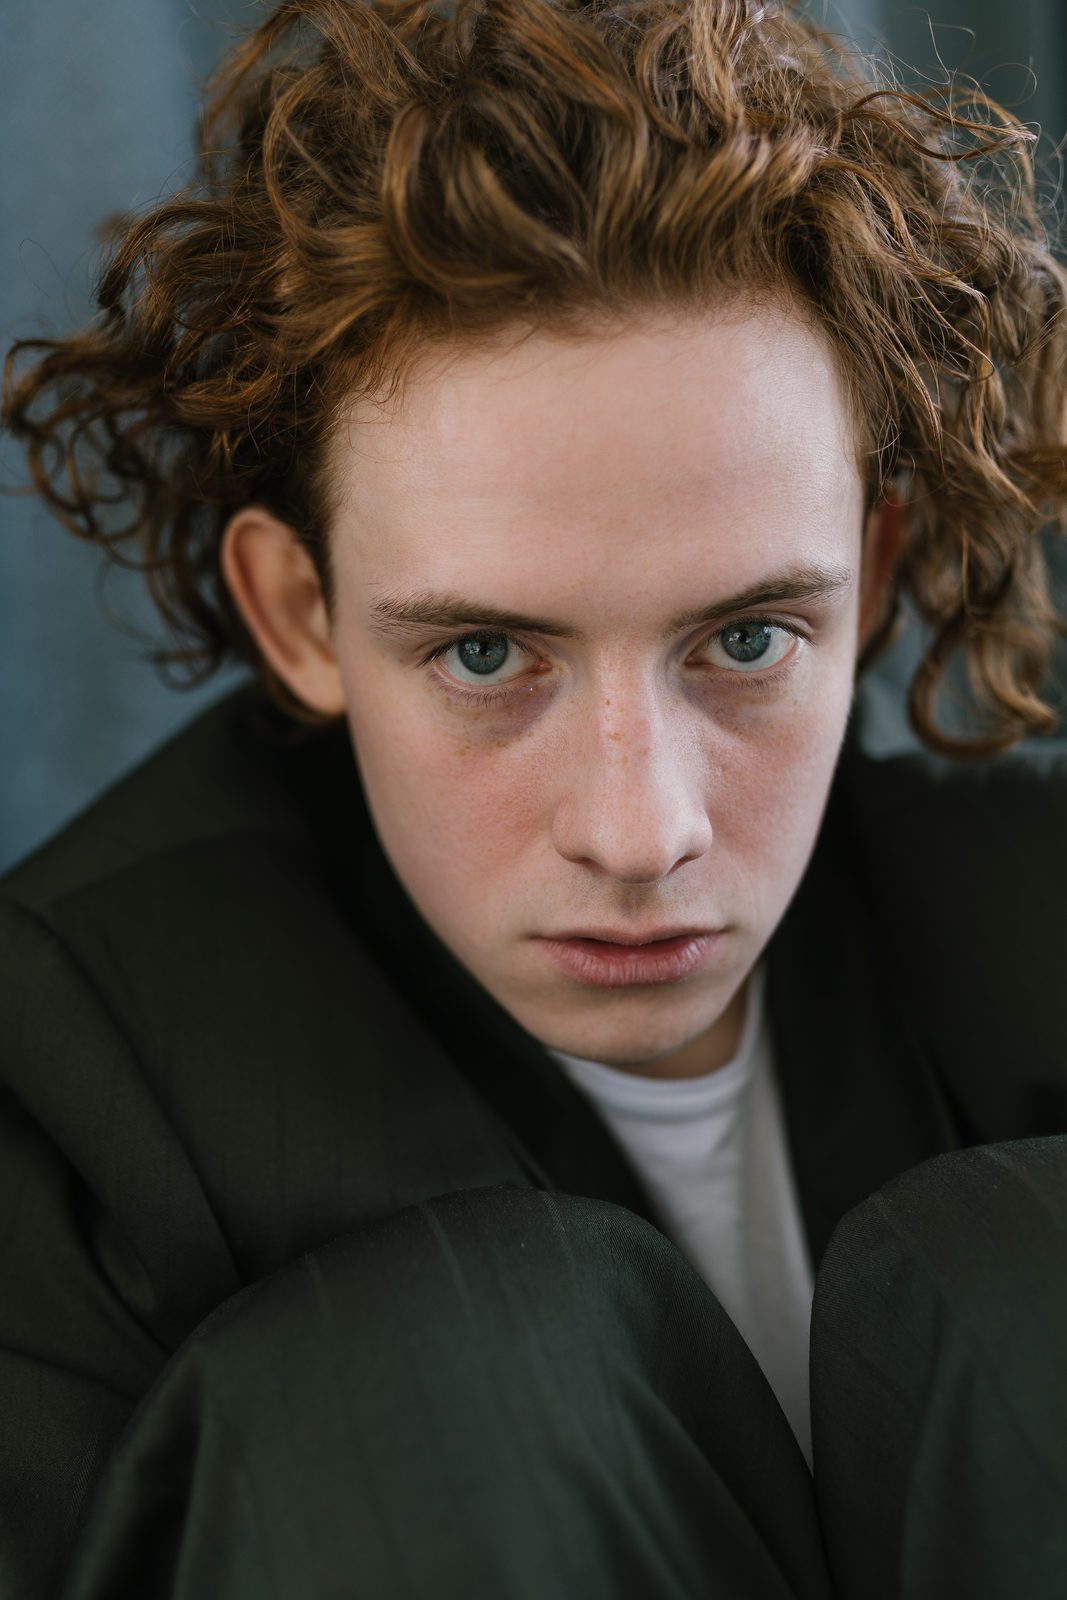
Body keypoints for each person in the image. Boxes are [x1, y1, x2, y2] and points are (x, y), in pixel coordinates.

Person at [2, 0, 1066, 1594]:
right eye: (488, 654)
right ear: (301, 616)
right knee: (446, 1370)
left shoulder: (1033, 920)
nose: (644, 834)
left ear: (872, 579)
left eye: (748, 640)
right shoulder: (73, 1081)